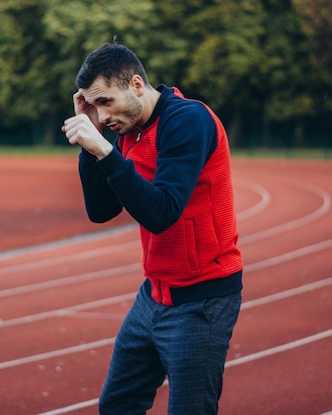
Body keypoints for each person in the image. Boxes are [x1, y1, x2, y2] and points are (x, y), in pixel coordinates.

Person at [61, 43, 243, 415]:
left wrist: (108, 154)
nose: (102, 114)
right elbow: (101, 211)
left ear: (137, 85)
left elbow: (162, 213)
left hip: (201, 300)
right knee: (117, 405)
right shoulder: (128, 130)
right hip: (154, 295)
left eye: (106, 102)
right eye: (93, 106)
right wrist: (90, 146)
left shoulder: (188, 120)